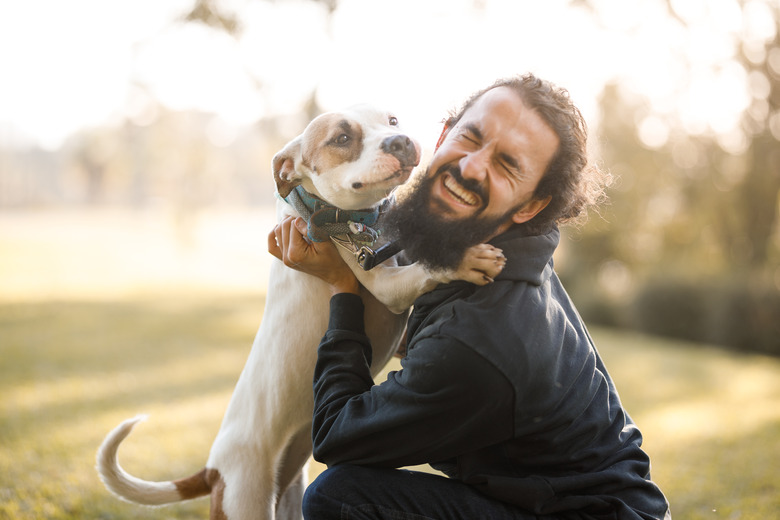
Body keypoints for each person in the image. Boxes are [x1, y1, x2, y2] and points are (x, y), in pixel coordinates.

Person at [269, 73, 671, 520]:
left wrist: (341, 289)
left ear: (532, 204)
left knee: (339, 497)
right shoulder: (500, 244)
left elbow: (336, 437)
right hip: (569, 501)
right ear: (443, 137)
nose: (473, 167)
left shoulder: (480, 340)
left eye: (507, 165)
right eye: (470, 137)